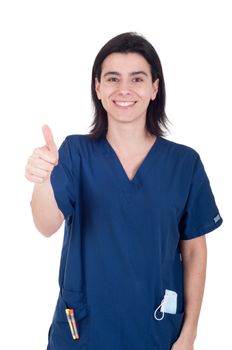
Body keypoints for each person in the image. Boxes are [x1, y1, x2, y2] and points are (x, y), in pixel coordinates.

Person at [25, 32, 223, 350]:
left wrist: (190, 334)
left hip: (156, 331)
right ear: (98, 88)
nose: (124, 89)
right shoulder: (75, 152)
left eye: (137, 78)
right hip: (84, 333)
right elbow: (46, 225)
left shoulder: (184, 163)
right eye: (113, 78)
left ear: (154, 88)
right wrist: (43, 178)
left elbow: (195, 252)